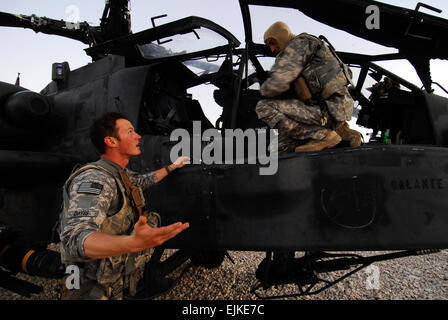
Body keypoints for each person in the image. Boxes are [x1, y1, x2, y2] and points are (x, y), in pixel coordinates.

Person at [59, 112, 190, 300]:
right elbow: (75, 238)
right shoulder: (96, 179)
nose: (138, 136)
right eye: (130, 132)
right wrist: (130, 243)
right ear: (111, 141)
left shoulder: (120, 174)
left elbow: (143, 181)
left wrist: (172, 167)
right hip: (91, 285)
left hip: (110, 279)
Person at [256, 21, 362, 153]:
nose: (272, 49)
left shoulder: (300, 44)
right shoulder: (303, 48)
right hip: (328, 110)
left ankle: (324, 136)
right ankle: (346, 134)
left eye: (273, 42)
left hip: (328, 109)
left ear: (282, 35)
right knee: (278, 148)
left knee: (264, 107)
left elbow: (278, 82)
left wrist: (261, 90)